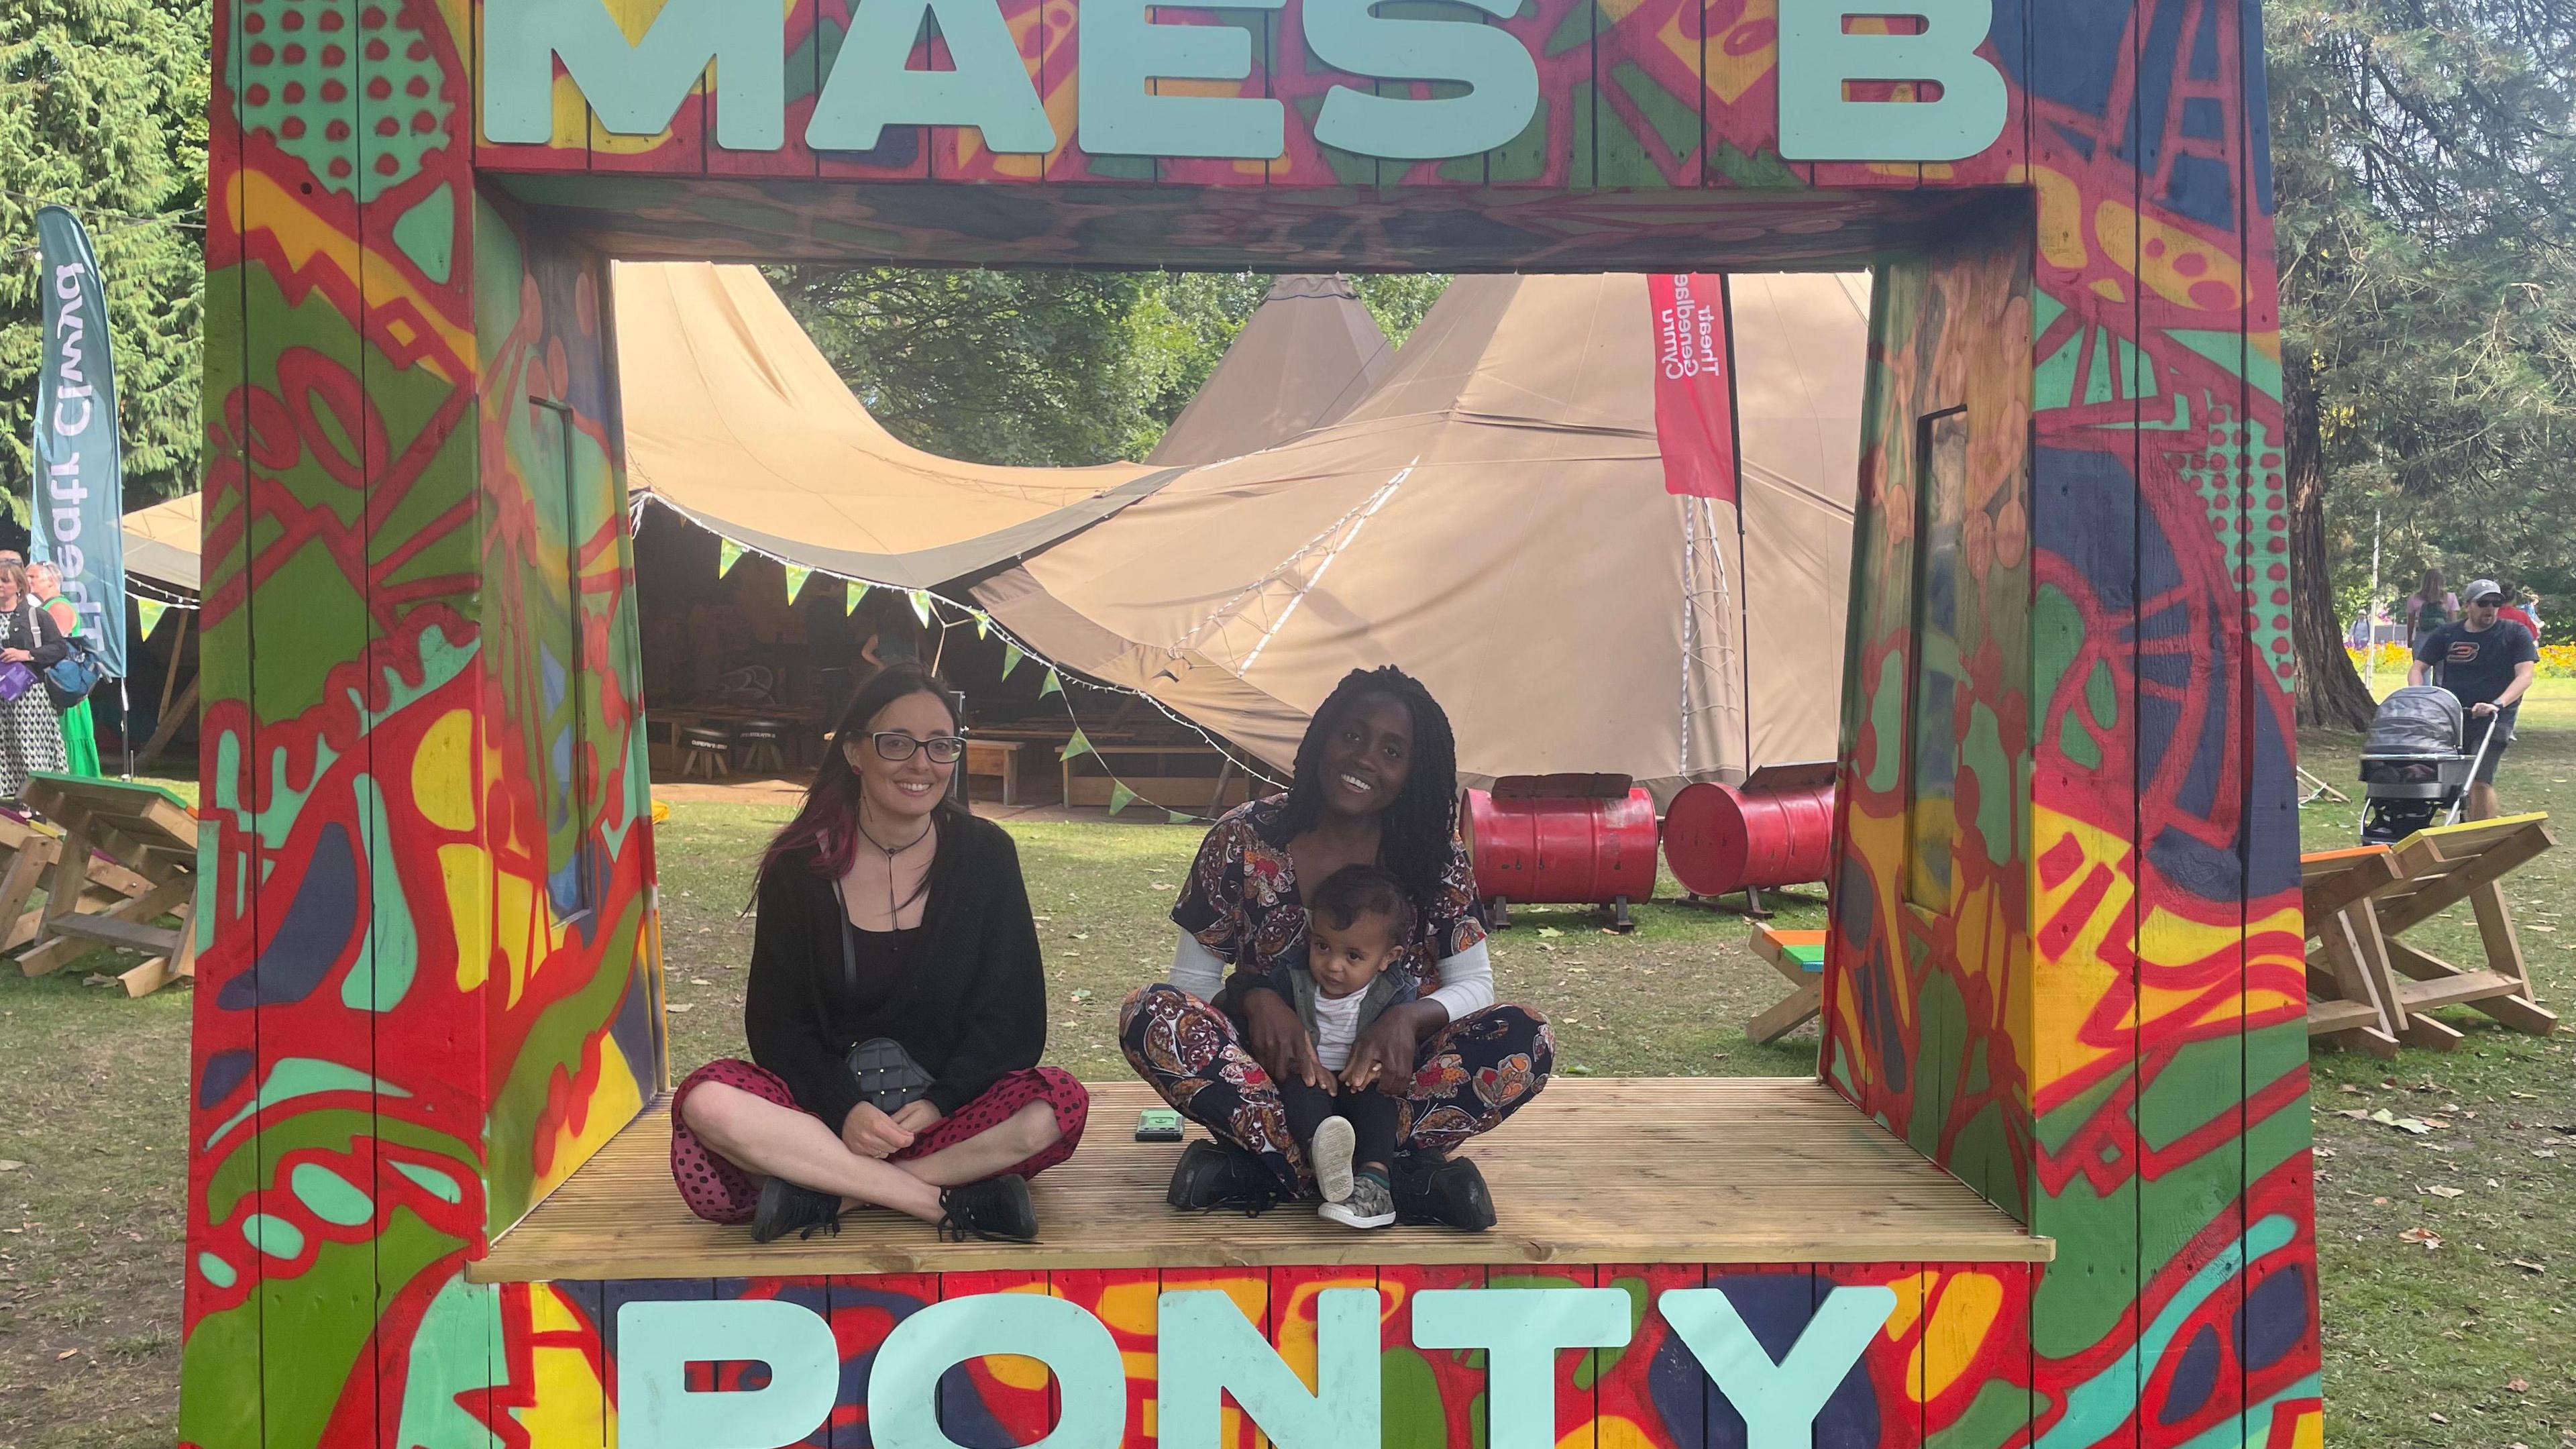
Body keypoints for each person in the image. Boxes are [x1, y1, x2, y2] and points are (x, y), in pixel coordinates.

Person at [669, 664, 1089, 1244]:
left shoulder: (987, 855)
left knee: (1055, 1105)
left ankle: (829, 1194)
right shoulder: (799, 866)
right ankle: (938, 1201)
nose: (921, 764)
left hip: (949, 1120)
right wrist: (844, 1109)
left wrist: (941, 1103)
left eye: (941, 746)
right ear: (855, 753)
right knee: (709, 1104)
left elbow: (1014, 1016)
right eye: (897, 743)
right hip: (826, 1120)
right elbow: (777, 1024)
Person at [1121, 665, 1553, 1230]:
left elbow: (1476, 984)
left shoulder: (1434, 855)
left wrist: (1406, 1019)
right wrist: (1256, 1005)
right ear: (1322, 736)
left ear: (1412, 772)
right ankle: (1392, 1180)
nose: (1364, 759)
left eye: (1392, 750)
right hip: (1271, 1083)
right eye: (1351, 735)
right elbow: (1192, 990)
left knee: (1526, 1035)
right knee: (1150, 1014)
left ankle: (1262, 1172)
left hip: (1389, 1086)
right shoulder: (1241, 838)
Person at [1218, 863, 1413, 1230]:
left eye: (1353, 956)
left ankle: (1375, 1183)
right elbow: (1240, 994)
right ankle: (1325, 1160)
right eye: (1323, 946)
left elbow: (1403, 1049)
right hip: (1310, 1077)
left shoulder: (1395, 994)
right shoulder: (1292, 978)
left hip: (1364, 1083)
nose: (1333, 966)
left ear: (1388, 957)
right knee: (1302, 1099)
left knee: (1381, 1109)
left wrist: (1380, 1068)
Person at [2409, 578, 2537, 821]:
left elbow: (2525, 676)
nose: (2490, 608)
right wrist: (2421, 698)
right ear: (2469, 605)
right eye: (2483, 603)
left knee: (2479, 778)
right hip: (2453, 717)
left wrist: (2498, 704)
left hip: (2494, 718)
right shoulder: (2447, 633)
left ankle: (2482, 836)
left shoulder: (2514, 633)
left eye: (2495, 603)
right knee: (2447, 779)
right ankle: (2462, 825)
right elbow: (2418, 668)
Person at [23, 563, 100, 778]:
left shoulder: (58, 607)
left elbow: (52, 646)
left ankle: (77, 787)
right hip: (51, 685)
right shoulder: (42, 608)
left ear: (51, 580)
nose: (27, 581)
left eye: (33, 577)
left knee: (66, 739)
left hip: (62, 687)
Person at [0, 564, 68, 802]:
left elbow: (59, 648)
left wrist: (25, 655)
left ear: (19, 586)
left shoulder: (35, 615)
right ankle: (9, 801)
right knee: (4, 750)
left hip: (28, 696)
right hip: (1, 696)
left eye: (4, 581)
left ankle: (38, 801)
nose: (0, 585)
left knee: (30, 747)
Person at [2402, 567, 2458, 647]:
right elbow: (2453, 623)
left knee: (2421, 660)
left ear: (2424, 581)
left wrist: (2409, 640)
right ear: (2442, 581)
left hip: (2422, 640)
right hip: (2443, 639)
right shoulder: (2451, 597)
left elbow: (2411, 623)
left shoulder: (2414, 598)